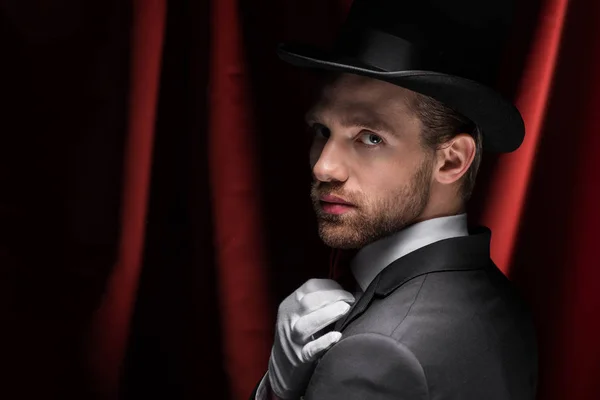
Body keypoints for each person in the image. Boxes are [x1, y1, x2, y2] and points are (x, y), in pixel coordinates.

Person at [251, 0, 538, 398]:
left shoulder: (375, 352)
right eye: (321, 129)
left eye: (370, 137)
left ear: (452, 160)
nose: (324, 168)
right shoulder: (502, 303)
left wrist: (278, 392)